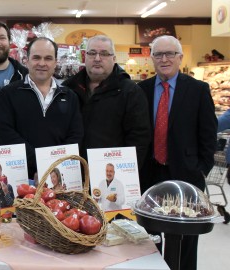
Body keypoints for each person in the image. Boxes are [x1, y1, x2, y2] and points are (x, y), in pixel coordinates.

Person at [138, 35, 217, 270]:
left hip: (187, 176)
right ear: (151, 59)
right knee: (148, 238)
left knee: (186, 239)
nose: (164, 59)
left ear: (180, 57)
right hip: (150, 176)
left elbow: (208, 135)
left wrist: (200, 169)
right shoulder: (140, 90)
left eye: (170, 54)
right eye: (158, 54)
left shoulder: (198, 90)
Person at [0, 37, 84, 179]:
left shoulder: (70, 96)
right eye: (36, 57)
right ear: (26, 60)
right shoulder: (9, 93)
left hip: (59, 175)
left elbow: (76, 135)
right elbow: (6, 133)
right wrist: (40, 164)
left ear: (56, 62)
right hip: (21, 176)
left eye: (48, 58)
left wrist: (52, 167)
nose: (42, 63)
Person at [62, 35, 151, 167]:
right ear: (85, 57)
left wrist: (126, 172)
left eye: (104, 54)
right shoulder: (69, 88)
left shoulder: (130, 91)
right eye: (92, 53)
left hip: (111, 171)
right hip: (73, 171)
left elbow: (139, 138)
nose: (97, 59)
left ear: (114, 59)